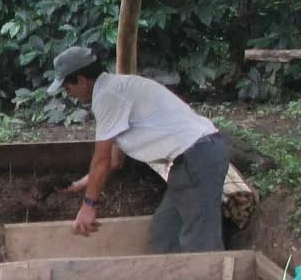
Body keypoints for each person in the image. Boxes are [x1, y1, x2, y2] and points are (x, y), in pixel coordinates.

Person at [47, 44, 229, 252]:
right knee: (165, 231)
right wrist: (79, 185)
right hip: (190, 161)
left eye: (67, 88)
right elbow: (115, 161)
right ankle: (172, 272)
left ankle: (211, 273)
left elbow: (101, 161)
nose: (69, 94)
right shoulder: (116, 89)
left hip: (198, 158)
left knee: (200, 240)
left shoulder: (107, 96)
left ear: (81, 80)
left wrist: (88, 206)